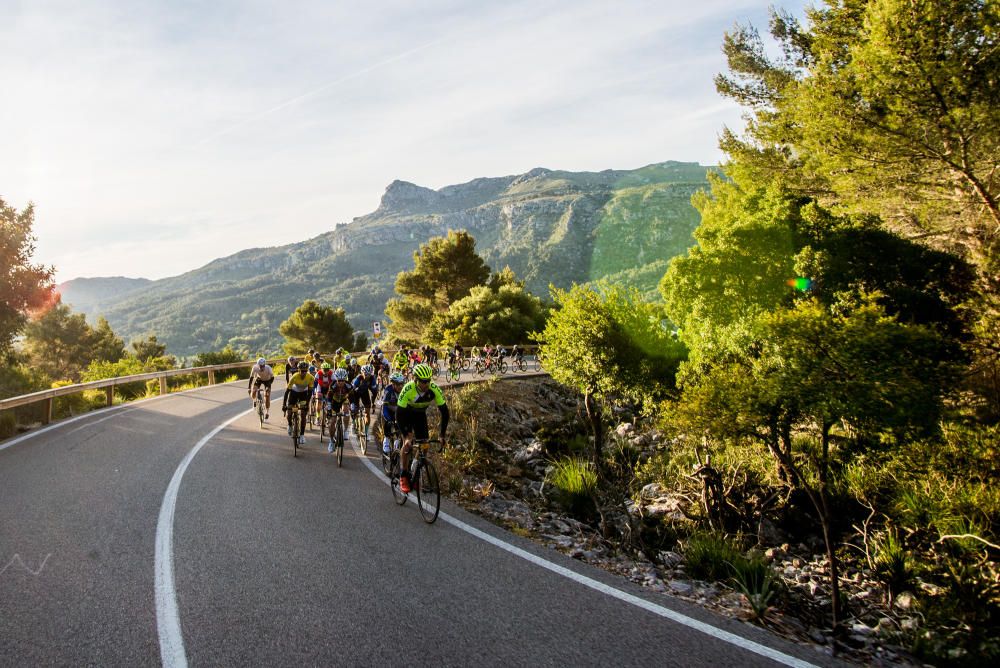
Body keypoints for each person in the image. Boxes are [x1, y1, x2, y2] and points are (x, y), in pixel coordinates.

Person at [395, 363, 449, 494]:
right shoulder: (408, 389)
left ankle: (416, 471)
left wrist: (442, 435)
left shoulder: (434, 389)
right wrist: (406, 435)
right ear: (415, 379)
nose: (426, 384)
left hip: (420, 415)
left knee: (425, 446)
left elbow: (445, 412)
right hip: (405, 415)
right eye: (423, 381)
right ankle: (403, 474)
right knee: (407, 444)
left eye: (428, 381)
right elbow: (399, 414)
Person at [324, 367, 357, 453]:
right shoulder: (333, 385)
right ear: (336, 379)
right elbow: (329, 398)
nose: (341, 382)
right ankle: (331, 441)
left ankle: (346, 430)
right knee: (332, 422)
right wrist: (328, 409)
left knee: (346, 411)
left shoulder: (349, 386)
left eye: (343, 380)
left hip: (344, 400)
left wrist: (353, 408)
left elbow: (352, 398)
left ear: (345, 380)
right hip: (334, 402)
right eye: (339, 380)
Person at [282, 361, 315, 445]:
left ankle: (302, 435)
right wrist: (284, 404)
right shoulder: (294, 376)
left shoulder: (310, 377)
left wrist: (307, 404)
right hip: (294, 393)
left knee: (303, 414)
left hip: (303, 394)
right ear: (298, 370)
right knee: (289, 413)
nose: (303, 372)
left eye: (305, 371)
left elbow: (310, 392)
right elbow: (287, 391)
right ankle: (289, 424)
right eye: (301, 370)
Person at [380, 372, 405, 454]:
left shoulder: (405, 390)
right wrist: (388, 419)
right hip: (388, 409)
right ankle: (386, 441)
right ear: (393, 384)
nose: (400, 386)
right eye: (398, 384)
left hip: (398, 411)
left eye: (401, 384)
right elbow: (384, 407)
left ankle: (397, 441)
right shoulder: (388, 390)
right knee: (388, 422)